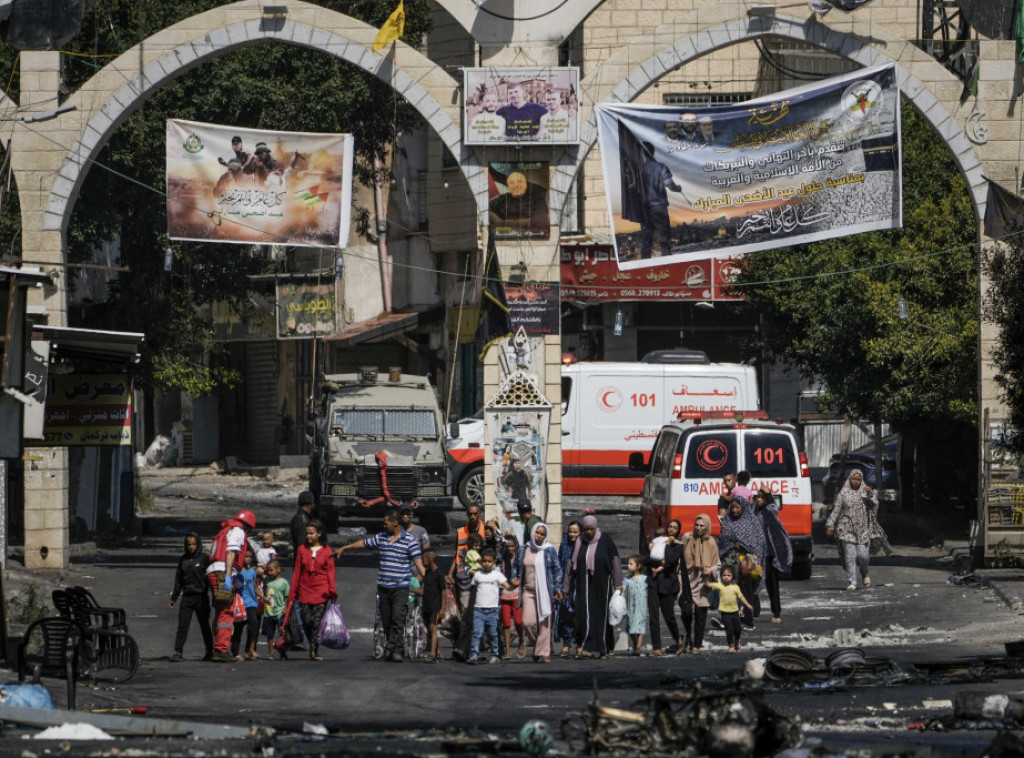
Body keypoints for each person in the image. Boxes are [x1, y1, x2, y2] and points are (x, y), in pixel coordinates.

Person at [336, 507, 425, 662]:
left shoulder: (409, 541)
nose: (384, 526)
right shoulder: (382, 538)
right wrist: (345, 548)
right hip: (384, 587)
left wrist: (428, 578)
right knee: (387, 619)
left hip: (401, 588)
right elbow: (364, 543)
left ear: (395, 523)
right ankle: (392, 647)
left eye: (386, 523)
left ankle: (396, 650)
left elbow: (419, 563)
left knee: (398, 617)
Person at [564, 514, 623, 659]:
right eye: (586, 530)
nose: (589, 532)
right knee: (583, 616)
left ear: (595, 528)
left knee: (601, 616)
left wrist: (618, 584)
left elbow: (615, 561)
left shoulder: (605, 540)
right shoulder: (580, 541)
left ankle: (603, 649)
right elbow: (571, 565)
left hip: (602, 584)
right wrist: (566, 587)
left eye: (591, 529)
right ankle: (584, 646)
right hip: (584, 585)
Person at [205, 509, 257, 662]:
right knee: (226, 612)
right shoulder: (238, 531)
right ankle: (220, 649)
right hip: (222, 571)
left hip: (215, 570)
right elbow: (230, 553)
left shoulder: (225, 530)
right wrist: (228, 576)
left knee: (221, 609)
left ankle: (218, 648)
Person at [826, 471, 889, 591]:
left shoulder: (865, 493)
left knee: (863, 555)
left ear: (861, 480)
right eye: (853, 479)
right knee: (850, 556)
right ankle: (852, 582)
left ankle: (864, 572)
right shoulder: (843, 494)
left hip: (863, 529)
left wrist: (870, 493)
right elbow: (836, 510)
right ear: (849, 479)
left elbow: (875, 504)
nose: (855, 481)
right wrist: (830, 525)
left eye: (858, 479)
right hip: (846, 529)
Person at [285, 520, 337, 662]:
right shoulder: (302, 550)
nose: (308, 536)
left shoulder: (327, 551)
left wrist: (333, 591)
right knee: (307, 621)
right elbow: (297, 572)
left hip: (322, 591)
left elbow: (330, 573)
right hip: (305, 590)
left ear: (319, 534)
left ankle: (314, 649)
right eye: (307, 533)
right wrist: (292, 594)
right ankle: (312, 644)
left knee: (317, 621)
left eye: (311, 533)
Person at [516, 522, 563, 663]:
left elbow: (557, 569)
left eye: (542, 534)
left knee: (545, 622)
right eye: (537, 532)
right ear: (533, 533)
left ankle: (544, 652)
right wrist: (515, 577)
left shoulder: (549, 550)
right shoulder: (524, 549)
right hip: (528, 590)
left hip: (545, 590)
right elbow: (516, 566)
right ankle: (538, 645)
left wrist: (558, 587)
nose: (539, 536)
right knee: (527, 622)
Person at [718, 497, 766, 629]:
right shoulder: (728, 521)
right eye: (732, 507)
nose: (734, 510)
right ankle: (728, 620)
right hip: (730, 562)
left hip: (747, 563)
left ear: (743, 507)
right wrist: (732, 544)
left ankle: (748, 621)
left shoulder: (752, 522)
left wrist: (744, 545)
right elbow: (722, 540)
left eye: (737, 507)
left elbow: (758, 543)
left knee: (746, 592)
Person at [468, 548, 517, 664]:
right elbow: (474, 590)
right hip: (479, 609)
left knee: (493, 634)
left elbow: (507, 587)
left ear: (494, 562)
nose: (486, 564)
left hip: (493, 610)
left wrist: (514, 585)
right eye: (484, 561)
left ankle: (494, 655)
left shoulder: (497, 575)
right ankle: (474, 655)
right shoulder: (478, 575)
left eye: (489, 561)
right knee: (476, 633)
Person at [169, 532, 213, 661]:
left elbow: (211, 578)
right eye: (189, 545)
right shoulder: (183, 560)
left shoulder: (204, 559)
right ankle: (178, 652)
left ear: (198, 544)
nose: (191, 547)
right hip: (187, 597)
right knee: (183, 625)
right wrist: (174, 597)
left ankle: (210, 651)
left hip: (201, 597)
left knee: (204, 624)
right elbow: (179, 580)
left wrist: (215, 595)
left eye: (194, 544)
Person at [644, 519, 685, 656]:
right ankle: (657, 648)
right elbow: (645, 560)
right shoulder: (657, 542)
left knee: (669, 616)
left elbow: (670, 561)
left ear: (678, 531)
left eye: (675, 528)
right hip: (653, 582)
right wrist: (653, 552)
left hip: (668, 584)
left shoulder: (677, 546)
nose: (672, 529)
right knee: (653, 616)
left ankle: (678, 639)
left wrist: (667, 546)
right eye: (670, 527)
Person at [680, 514, 719, 654]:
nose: (698, 528)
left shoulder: (712, 543)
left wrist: (711, 569)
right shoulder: (687, 538)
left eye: (702, 526)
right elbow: (680, 557)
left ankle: (697, 644)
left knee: (700, 616)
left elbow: (717, 564)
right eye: (697, 525)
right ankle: (688, 638)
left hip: (703, 582)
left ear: (707, 526)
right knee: (686, 613)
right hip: (687, 580)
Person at [638, 141, 683, 260]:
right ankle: (667, 263)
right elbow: (670, 185)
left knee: (646, 241)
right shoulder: (661, 167)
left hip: (644, 210)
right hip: (659, 208)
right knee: (664, 240)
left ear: (642, 153)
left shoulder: (638, 170)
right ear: (652, 152)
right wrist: (678, 189)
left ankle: (644, 266)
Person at [754, 487, 793, 623]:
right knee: (750, 581)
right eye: (757, 497)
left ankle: (776, 612)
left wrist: (769, 495)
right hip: (756, 553)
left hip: (770, 554)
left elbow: (773, 508)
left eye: (761, 497)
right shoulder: (755, 511)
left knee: (772, 584)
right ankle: (750, 610)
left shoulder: (770, 510)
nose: (758, 500)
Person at [488, 171, 549, 237]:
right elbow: (485, 208)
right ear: (508, 187)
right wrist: (494, 217)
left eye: (520, 182)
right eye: (512, 183)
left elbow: (540, 221)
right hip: (504, 234)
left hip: (530, 235)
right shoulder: (503, 198)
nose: (516, 185)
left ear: (526, 185)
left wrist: (503, 222)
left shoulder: (537, 198)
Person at [709, 566, 754, 653]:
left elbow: (741, 597)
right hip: (725, 613)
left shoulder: (735, 587)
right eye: (724, 575)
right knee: (729, 630)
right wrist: (706, 576)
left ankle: (737, 640)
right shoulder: (719, 585)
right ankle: (731, 646)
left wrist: (748, 605)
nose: (726, 577)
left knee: (737, 630)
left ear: (733, 576)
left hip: (735, 612)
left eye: (729, 575)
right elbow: (708, 585)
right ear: (721, 576)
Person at [555, 521, 582, 658]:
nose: (572, 534)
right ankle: (566, 644)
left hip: (579, 586)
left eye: (575, 532)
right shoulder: (564, 544)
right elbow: (559, 564)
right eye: (570, 531)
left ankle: (579, 645)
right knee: (565, 616)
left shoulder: (584, 545)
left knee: (578, 617)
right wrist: (558, 586)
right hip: (566, 586)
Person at [231, 549, 261, 661]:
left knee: (254, 625)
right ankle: (235, 652)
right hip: (240, 605)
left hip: (251, 603)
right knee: (238, 629)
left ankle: (251, 649)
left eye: (250, 556)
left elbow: (255, 587)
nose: (248, 559)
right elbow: (236, 589)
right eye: (246, 556)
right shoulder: (236, 573)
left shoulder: (252, 572)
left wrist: (264, 598)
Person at [499, 533, 524, 659]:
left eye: (512, 546)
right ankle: (507, 651)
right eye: (508, 546)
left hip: (517, 593)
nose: (510, 549)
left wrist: (519, 580)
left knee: (519, 622)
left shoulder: (519, 559)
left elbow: (523, 574)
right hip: (504, 594)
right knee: (506, 623)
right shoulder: (501, 560)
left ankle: (521, 641)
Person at [258, 559, 289, 660]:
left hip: (280, 611)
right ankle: (271, 653)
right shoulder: (266, 579)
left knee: (282, 632)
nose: (270, 572)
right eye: (269, 570)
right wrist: (264, 569)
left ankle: (282, 652)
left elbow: (287, 597)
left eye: (272, 570)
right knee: (269, 634)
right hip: (269, 612)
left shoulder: (284, 582)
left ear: (278, 569)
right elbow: (258, 574)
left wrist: (285, 608)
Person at [419, 549, 446, 662]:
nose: (422, 561)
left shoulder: (439, 574)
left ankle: (432, 654)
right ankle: (438, 651)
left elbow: (443, 590)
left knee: (433, 627)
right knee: (430, 629)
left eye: (424, 558)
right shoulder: (428, 573)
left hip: (436, 606)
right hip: (426, 606)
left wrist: (443, 607)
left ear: (430, 559)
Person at [623, 556, 648, 656]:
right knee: (631, 627)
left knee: (640, 625)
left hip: (641, 607)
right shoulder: (627, 579)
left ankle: (638, 646)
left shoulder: (644, 579)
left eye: (631, 564)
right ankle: (634, 643)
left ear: (638, 566)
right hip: (631, 608)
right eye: (628, 564)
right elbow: (623, 591)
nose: (628, 566)